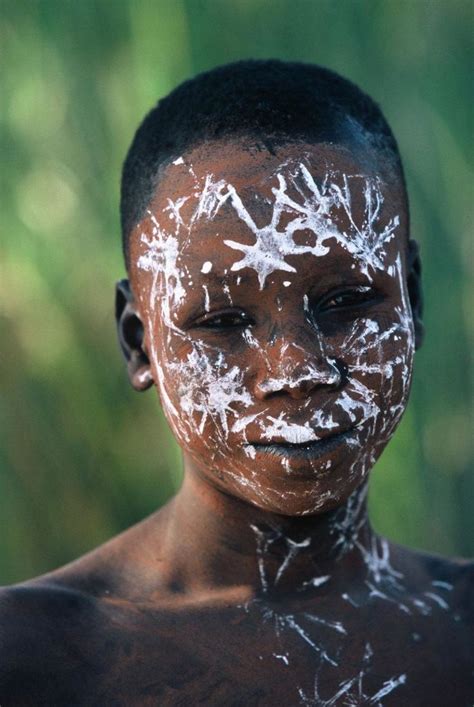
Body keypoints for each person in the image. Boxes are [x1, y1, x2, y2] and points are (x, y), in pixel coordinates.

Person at [0, 60, 472, 706]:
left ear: (412, 300)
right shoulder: (35, 659)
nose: (297, 369)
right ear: (140, 342)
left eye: (346, 300)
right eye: (222, 321)